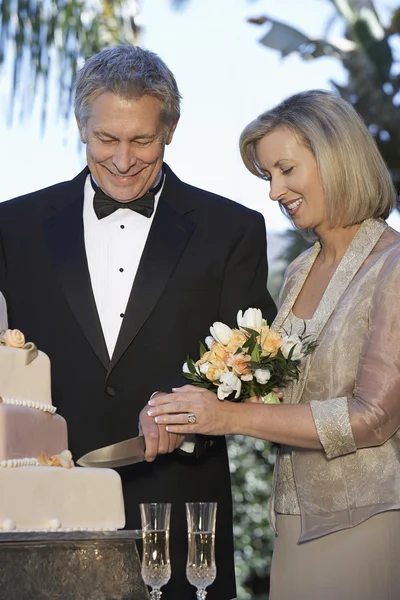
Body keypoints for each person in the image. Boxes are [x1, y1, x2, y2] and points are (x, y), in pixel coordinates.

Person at [0, 45, 276, 599]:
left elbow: (257, 366)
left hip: (181, 515)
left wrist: (194, 416)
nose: (123, 159)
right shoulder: (12, 226)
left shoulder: (233, 229)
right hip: (44, 519)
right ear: (81, 127)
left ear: (171, 130)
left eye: (142, 140)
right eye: (107, 139)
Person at [147, 90, 400, 599]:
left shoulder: (392, 266)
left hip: (365, 518)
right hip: (291, 522)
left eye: (285, 170)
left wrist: (229, 417)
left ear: (335, 157)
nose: (274, 192)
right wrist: (188, 412)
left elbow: (373, 416)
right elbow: (282, 400)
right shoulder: (300, 271)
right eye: (268, 176)